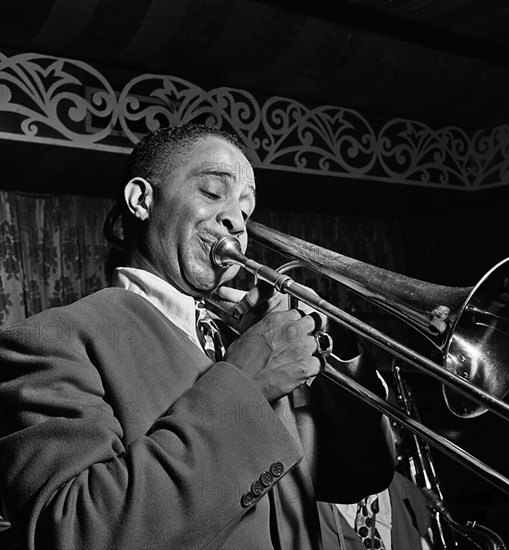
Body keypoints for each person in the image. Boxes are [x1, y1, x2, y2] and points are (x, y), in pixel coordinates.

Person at [0, 124, 395, 549]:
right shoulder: (49, 339)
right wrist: (244, 383)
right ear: (141, 200)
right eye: (211, 192)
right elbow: (73, 531)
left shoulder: (244, 336)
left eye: (246, 210)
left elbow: (359, 475)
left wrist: (338, 346)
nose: (237, 222)